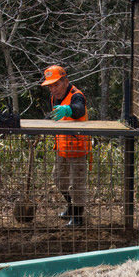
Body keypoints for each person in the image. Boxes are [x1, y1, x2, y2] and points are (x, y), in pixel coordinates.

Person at [41, 65, 91, 228]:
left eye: (56, 84)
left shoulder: (77, 96)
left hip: (77, 148)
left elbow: (78, 110)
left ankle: (78, 217)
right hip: (61, 146)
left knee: (76, 184)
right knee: (59, 178)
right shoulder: (54, 98)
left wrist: (67, 109)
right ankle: (71, 207)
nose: (53, 89)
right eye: (50, 86)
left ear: (66, 81)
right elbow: (53, 116)